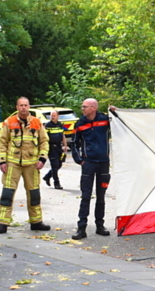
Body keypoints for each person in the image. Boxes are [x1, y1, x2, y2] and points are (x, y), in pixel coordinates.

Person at [0, 97, 51, 234]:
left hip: (32, 164)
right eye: (21, 105)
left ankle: (36, 222)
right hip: (12, 163)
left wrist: (42, 158)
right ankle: (2, 223)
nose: (23, 107)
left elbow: (44, 142)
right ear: (17, 107)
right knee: (7, 193)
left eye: (26, 105)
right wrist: (2, 161)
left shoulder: (37, 122)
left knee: (34, 193)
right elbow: (2, 142)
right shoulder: (9, 122)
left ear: (29, 106)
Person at [70, 98, 116, 240]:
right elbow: (74, 143)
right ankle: (81, 228)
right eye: (82, 106)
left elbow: (120, 125)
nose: (82, 109)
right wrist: (79, 160)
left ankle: (100, 226)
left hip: (103, 163)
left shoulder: (104, 120)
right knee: (86, 196)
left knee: (101, 196)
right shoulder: (80, 123)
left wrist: (115, 112)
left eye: (85, 107)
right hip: (88, 163)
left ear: (93, 108)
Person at [43, 111, 66, 189]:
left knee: (59, 165)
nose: (52, 117)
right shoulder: (48, 125)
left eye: (54, 115)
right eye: (51, 115)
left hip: (59, 147)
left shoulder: (60, 124)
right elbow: (44, 138)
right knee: (55, 166)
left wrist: (65, 146)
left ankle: (47, 176)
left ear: (58, 116)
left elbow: (63, 135)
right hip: (51, 148)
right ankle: (57, 183)